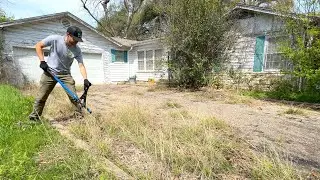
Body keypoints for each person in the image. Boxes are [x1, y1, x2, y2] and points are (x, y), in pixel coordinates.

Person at [29, 26, 91, 121]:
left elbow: (81, 65)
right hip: (50, 72)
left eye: (78, 40)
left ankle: (79, 118)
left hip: (65, 74)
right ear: (68, 35)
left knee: (74, 97)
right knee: (41, 97)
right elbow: (38, 45)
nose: (76, 42)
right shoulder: (55, 39)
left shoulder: (77, 50)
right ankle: (34, 118)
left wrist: (85, 79)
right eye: (74, 39)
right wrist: (42, 61)